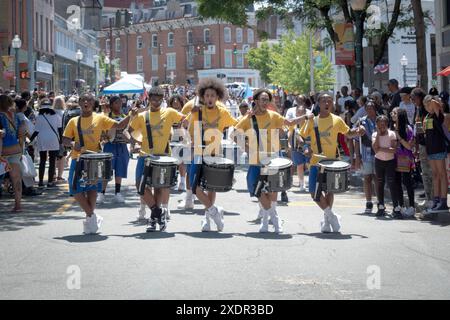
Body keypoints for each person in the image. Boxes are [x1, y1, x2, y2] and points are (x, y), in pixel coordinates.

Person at [233, 89, 313, 233]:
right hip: (255, 160)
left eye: (267, 100)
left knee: (272, 190)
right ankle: (274, 217)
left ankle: (266, 221)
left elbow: (289, 122)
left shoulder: (274, 116)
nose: (264, 102)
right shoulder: (248, 118)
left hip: (272, 159)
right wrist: (246, 147)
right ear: (256, 101)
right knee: (256, 190)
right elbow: (234, 134)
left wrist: (306, 117)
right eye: (262, 99)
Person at [62, 93, 137, 235]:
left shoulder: (100, 118)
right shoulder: (73, 121)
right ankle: (93, 216)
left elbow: (120, 126)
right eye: (83, 100)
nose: (86, 102)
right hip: (78, 158)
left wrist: (131, 115)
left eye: (89, 100)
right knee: (74, 189)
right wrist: (72, 143)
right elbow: (65, 139)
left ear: (93, 104)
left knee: (92, 190)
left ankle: (90, 222)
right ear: (79, 103)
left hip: (95, 158)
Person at [300, 92, 365, 233]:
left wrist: (358, 131)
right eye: (323, 100)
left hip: (332, 162)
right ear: (318, 103)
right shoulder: (312, 120)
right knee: (314, 192)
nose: (327, 103)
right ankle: (332, 216)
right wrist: (306, 148)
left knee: (329, 190)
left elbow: (348, 133)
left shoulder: (337, 120)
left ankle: (327, 222)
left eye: (329, 100)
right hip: (316, 162)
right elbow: (302, 137)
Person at [126, 87, 186, 231]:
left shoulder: (169, 112)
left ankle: (153, 219)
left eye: (159, 99)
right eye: (153, 99)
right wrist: (134, 143)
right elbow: (128, 132)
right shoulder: (142, 116)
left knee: (159, 187)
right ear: (149, 99)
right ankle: (158, 213)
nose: (156, 102)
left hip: (163, 156)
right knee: (140, 186)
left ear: (163, 99)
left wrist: (186, 132)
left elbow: (185, 119)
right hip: (145, 156)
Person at [185, 78, 238, 232]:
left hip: (214, 153)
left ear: (217, 97)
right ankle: (215, 211)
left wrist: (249, 117)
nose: (209, 98)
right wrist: (190, 115)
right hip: (197, 153)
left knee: (211, 187)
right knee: (195, 187)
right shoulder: (196, 111)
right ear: (203, 96)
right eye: (207, 95)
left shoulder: (223, 111)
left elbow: (236, 124)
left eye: (212, 96)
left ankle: (207, 218)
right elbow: (186, 128)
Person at [97, 96, 130, 204]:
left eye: (120, 102)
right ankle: (101, 193)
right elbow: (102, 133)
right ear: (111, 105)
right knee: (106, 170)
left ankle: (118, 193)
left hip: (122, 146)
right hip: (110, 146)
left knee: (119, 170)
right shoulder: (106, 117)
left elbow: (129, 131)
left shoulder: (125, 116)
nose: (119, 104)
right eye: (116, 103)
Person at [422, 95, 449, 215]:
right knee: (435, 175)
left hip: (439, 148)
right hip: (430, 149)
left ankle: (443, 201)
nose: (427, 106)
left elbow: (434, 104)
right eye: (425, 105)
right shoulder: (427, 116)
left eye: (428, 104)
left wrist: (432, 100)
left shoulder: (439, 115)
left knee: (442, 174)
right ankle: (436, 199)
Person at [0, 95, 26, 212]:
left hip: (2, 152)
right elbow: (22, 132)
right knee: (16, 179)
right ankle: (18, 205)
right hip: (15, 151)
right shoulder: (16, 116)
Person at [372, 115, 401, 217]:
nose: (382, 126)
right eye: (380, 124)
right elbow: (375, 149)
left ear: (387, 124)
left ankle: (396, 207)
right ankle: (381, 206)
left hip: (390, 161)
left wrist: (381, 148)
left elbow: (393, 150)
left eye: (384, 124)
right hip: (379, 160)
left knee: (391, 182)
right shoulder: (375, 134)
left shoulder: (392, 134)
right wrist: (379, 135)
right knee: (380, 182)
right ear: (377, 125)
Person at [29, 99, 61, 188]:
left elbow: (36, 131)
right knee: (52, 161)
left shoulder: (39, 117)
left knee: (42, 160)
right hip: (53, 139)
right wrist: (61, 141)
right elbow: (60, 129)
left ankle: (41, 182)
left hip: (42, 139)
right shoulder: (56, 116)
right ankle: (50, 182)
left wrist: (30, 140)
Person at [391, 107, 416, 218]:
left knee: (407, 182)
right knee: (397, 183)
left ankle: (411, 206)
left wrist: (399, 137)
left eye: (394, 113)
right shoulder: (391, 128)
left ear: (400, 115)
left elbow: (409, 146)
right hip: (394, 158)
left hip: (405, 159)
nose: (392, 114)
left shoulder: (408, 129)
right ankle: (400, 205)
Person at [355, 101, 378, 214]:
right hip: (366, 153)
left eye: (371, 108)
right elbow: (356, 140)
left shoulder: (381, 120)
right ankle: (369, 202)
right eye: (367, 108)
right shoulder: (361, 121)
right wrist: (357, 157)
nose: (369, 110)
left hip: (379, 153)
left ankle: (380, 201)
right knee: (367, 178)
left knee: (378, 178)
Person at [286, 95, 310, 192]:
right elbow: (289, 126)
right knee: (299, 164)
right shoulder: (290, 111)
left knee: (309, 163)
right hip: (295, 142)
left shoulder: (309, 112)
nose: (300, 101)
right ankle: (301, 183)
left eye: (302, 100)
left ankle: (309, 181)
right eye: (298, 100)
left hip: (308, 141)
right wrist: (288, 143)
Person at [168, 94, 188, 191]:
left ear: (181, 103)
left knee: (182, 162)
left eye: (177, 101)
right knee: (172, 162)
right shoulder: (168, 112)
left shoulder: (184, 113)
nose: (175, 103)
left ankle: (182, 182)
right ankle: (173, 180)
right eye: (173, 102)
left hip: (182, 139)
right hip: (170, 140)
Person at [53, 96, 67, 183]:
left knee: (53, 157)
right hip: (62, 136)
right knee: (62, 156)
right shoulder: (64, 113)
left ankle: (53, 174)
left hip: (52, 137)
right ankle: (59, 176)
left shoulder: (51, 112)